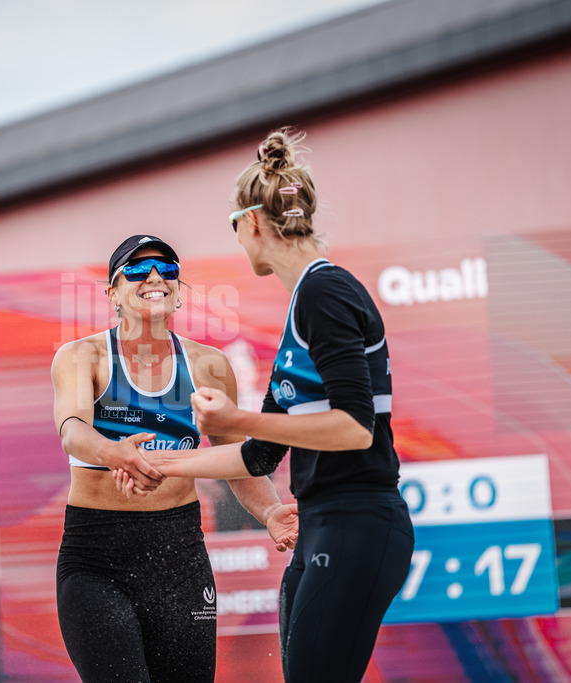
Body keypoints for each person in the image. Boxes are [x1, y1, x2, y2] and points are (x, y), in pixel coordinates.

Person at [115, 129, 414, 682]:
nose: (237, 240)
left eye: (233, 227)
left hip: (357, 520)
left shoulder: (325, 292)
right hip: (325, 523)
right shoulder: (306, 303)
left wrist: (233, 418)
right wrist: (158, 462)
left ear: (253, 222)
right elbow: (258, 456)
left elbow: (355, 429)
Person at [51, 234, 299, 682]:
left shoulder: (209, 365)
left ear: (179, 291)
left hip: (178, 555)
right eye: (136, 269)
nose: (153, 277)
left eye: (167, 270)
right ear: (112, 293)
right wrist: (116, 454)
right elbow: (72, 432)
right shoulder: (81, 356)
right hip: (97, 558)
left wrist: (271, 512)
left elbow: (236, 460)